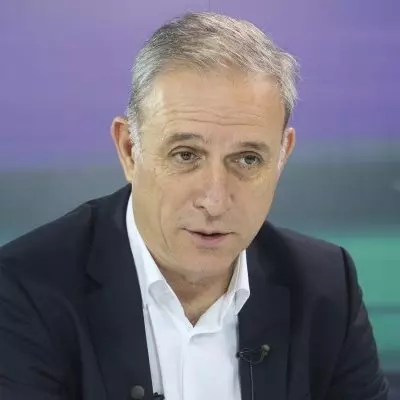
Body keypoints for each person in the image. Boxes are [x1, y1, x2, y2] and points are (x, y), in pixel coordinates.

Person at [0, 11, 389, 400]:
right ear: (130, 150)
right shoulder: (26, 291)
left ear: (282, 155)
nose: (215, 201)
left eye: (248, 159)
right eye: (185, 155)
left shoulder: (326, 289)